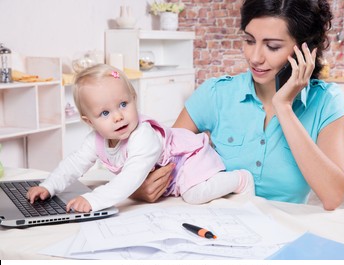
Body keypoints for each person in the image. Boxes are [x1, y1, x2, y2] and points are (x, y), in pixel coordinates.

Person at [133, 0, 344, 210]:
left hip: (284, 231)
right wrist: (138, 188)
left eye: (272, 46)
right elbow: (162, 162)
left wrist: (283, 106)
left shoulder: (326, 102)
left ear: (306, 50)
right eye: (249, 40)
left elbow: (332, 198)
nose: (255, 57)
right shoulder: (216, 93)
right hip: (215, 226)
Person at [26, 64, 253, 212]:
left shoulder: (142, 136)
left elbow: (131, 177)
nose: (118, 116)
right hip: (166, 175)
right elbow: (73, 165)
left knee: (193, 195)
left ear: (134, 99)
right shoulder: (94, 141)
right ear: (89, 121)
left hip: (189, 159)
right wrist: (49, 186)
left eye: (124, 104)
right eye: (105, 113)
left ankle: (240, 179)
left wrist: (93, 200)